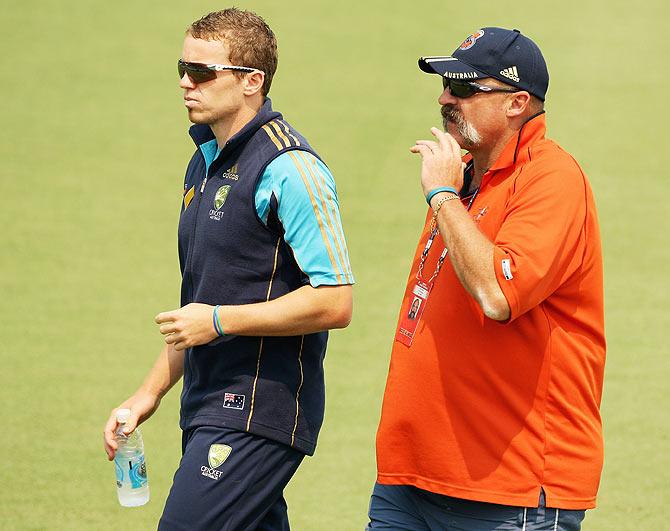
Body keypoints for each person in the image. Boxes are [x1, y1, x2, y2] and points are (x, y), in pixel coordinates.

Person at [103, 8, 354, 530]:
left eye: (201, 72)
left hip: (258, 408)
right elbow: (202, 302)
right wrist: (146, 395)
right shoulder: (205, 161)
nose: (184, 82)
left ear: (251, 82)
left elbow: (335, 300)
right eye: (182, 67)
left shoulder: (293, 169)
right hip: (206, 403)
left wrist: (218, 322)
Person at [368, 27, 605, 531]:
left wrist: (442, 198)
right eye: (445, 85)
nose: (445, 98)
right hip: (411, 476)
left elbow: (498, 296)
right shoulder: (468, 176)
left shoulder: (551, 179)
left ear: (518, 103)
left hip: (507, 488)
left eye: (465, 89)